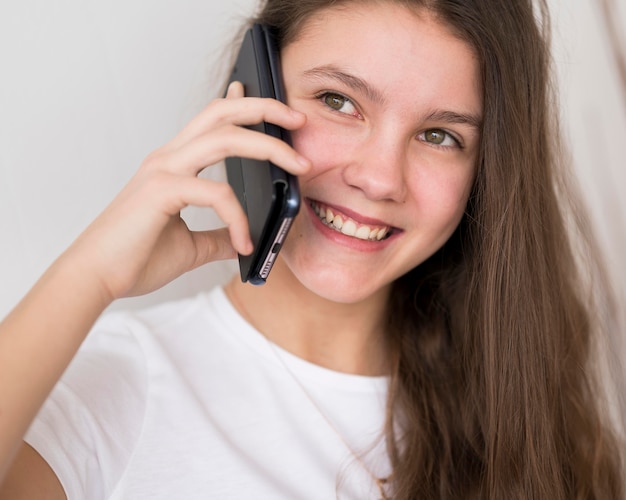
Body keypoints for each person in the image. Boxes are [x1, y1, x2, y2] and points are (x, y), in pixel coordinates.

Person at [0, 0, 624, 498]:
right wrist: (91, 274)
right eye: (338, 101)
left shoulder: (534, 414)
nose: (380, 178)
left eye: (439, 135)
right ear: (251, 95)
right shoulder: (119, 385)